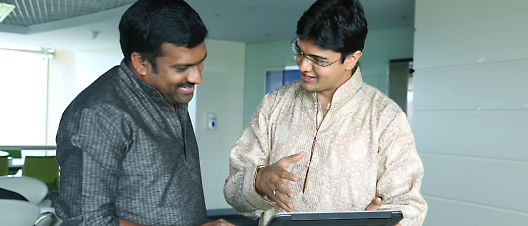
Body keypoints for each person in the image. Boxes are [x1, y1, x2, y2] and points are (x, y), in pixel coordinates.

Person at [223, 0, 427, 225]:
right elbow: (232, 189)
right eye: (300, 52)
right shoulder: (275, 104)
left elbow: (409, 206)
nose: (303, 66)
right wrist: (259, 181)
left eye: (318, 60)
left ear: (351, 58)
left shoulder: (384, 117)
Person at [55, 0, 234, 225]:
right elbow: (85, 220)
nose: (197, 77)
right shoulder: (97, 115)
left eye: (200, 63)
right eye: (181, 68)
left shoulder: (169, 92)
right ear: (141, 62)